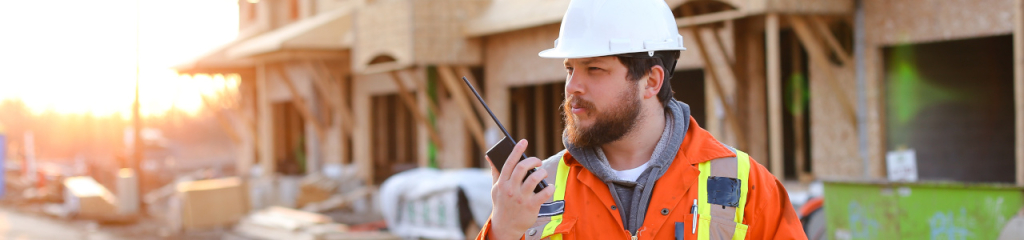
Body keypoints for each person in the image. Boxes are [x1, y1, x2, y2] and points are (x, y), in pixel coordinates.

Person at [476, 0, 807, 239]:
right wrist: (502, 232)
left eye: (594, 69)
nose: (572, 86)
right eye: (569, 68)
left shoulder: (747, 184)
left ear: (651, 81)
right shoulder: (535, 192)